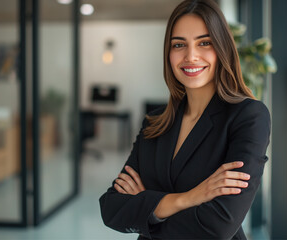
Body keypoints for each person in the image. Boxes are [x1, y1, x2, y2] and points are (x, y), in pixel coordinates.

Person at [99, 0, 271, 239]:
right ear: (168, 54)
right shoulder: (155, 122)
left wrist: (147, 208)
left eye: (204, 43)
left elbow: (219, 226)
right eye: (179, 44)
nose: (191, 56)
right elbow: (111, 207)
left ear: (222, 48)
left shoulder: (249, 116)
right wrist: (189, 198)